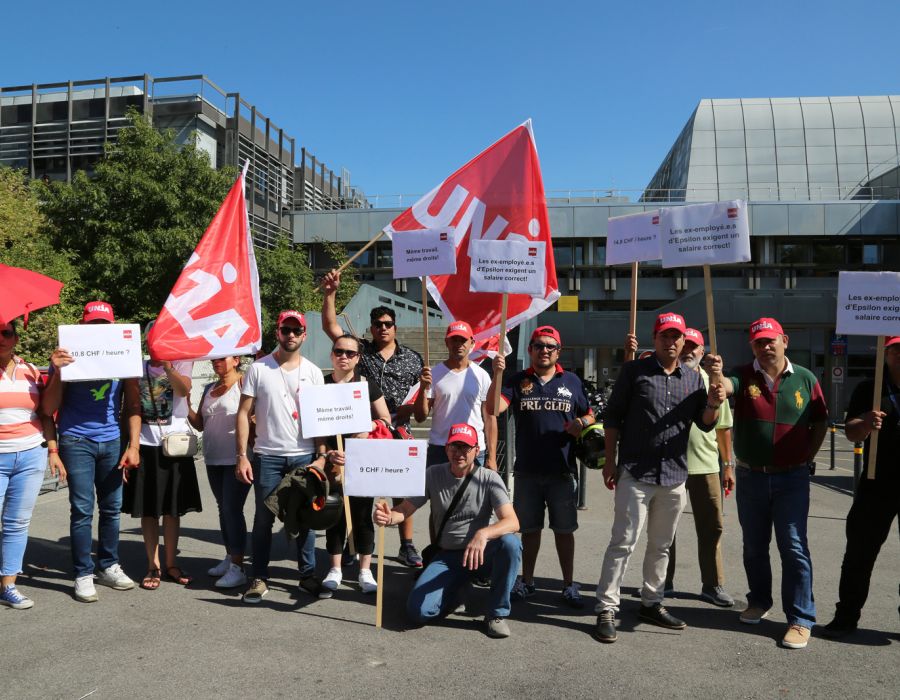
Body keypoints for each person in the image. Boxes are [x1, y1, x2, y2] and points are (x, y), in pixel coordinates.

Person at [594, 313, 723, 643]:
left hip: (674, 475)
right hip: (636, 471)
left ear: (683, 341)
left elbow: (705, 423)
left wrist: (712, 404)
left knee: (661, 545)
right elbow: (613, 418)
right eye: (665, 335)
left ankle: (651, 602)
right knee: (623, 542)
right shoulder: (634, 371)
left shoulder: (693, 379)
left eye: (676, 336)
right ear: (655, 338)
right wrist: (610, 461)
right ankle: (606, 607)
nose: (671, 341)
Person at [708, 317, 828, 650]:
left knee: (793, 546)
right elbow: (724, 388)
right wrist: (716, 374)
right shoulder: (743, 375)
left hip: (792, 477)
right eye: (758, 342)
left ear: (784, 340)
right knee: (754, 546)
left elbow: (820, 421)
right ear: (752, 346)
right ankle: (759, 601)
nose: (765, 346)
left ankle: (800, 618)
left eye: (770, 340)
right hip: (751, 477)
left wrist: (808, 455)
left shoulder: (805, 378)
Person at [373, 423, 521, 638]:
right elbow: (405, 509)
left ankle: (496, 613)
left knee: (511, 543)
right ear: (446, 448)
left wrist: (483, 534)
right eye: (454, 447)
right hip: (449, 557)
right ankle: (456, 591)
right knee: (418, 612)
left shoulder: (489, 478)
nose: (459, 453)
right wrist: (388, 517)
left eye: (465, 447)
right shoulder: (433, 474)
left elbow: (512, 522)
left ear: (476, 450)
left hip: (481, 555)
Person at [623, 327, 736, 607]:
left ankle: (713, 584)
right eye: (685, 347)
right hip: (667, 465)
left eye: (693, 347)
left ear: (701, 351)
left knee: (711, 527)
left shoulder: (712, 382)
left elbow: (723, 427)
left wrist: (727, 465)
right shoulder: (663, 376)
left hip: (705, 465)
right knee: (664, 531)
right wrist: (629, 355)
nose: (687, 352)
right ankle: (663, 583)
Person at [321, 269, 425, 568]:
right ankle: (354, 544)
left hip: (397, 428)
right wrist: (330, 293)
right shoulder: (361, 350)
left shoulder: (412, 358)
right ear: (371, 327)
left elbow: (420, 394)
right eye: (378, 324)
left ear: (395, 327)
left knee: (401, 490)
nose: (383, 328)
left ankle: (407, 545)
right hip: (362, 431)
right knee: (358, 491)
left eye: (388, 324)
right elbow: (330, 326)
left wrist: (411, 408)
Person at [41, 300, 141, 603]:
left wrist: (133, 446)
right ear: (83, 326)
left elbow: (133, 405)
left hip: (112, 441)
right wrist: (57, 372)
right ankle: (83, 573)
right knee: (83, 509)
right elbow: (48, 408)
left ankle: (108, 565)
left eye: (103, 325)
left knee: (111, 508)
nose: (98, 329)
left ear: (112, 327)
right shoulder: (65, 357)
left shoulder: (123, 356)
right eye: (93, 324)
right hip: (76, 441)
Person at [489, 325, 594, 609]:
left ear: (558, 351)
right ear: (530, 349)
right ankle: (527, 581)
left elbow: (590, 414)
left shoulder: (571, 380)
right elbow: (494, 408)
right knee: (529, 529)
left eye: (550, 346)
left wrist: (581, 422)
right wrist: (497, 375)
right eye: (539, 345)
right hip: (527, 470)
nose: (544, 350)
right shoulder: (517, 380)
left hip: (562, 470)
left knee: (564, 530)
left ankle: (569, 584)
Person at [236, 310, 325, 603]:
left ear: (304, 335)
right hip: (268, 456)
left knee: (305, 518)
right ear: (277, 332)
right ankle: (259, 577)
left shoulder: (313, 372)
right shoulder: (258, 369)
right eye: (285, 329)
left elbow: (319, 418)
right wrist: (242, 455)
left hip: (303, 455)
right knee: (264, 519)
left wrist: (321, 455)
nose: (290, 335)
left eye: (296, 330)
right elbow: (243, 413)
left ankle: (307, 576)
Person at [823, 335, 900, 638]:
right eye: (895, 349)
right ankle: (846, 616)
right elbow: (852, 433)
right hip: (876, 483)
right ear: (885, 353)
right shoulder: (871, 389)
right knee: (859, 554)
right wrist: (867, 422)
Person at [122, 325, 200, 591]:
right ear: (146, 341)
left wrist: (168, 367)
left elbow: (183, 390)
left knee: (172, 509)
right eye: (153, 340)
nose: (157, 345)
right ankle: (152, 565)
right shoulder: (138, 367)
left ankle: (171, 564)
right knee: (148, 510)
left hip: (175, 446)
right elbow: (133, 408)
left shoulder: (182, 363)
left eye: (163, 340)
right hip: (146, 444)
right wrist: (131, 446)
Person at [319, 333, 391, 598]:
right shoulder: (322, 386)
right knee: (334, 514)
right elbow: (315, 430)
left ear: (358, 358)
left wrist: (369, 425)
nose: (344, 357)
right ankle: (335, 569)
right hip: (333, 461)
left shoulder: (366, 385)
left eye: (350, 353)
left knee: (362, 515)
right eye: (339, 351)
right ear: (332, 355)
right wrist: (326, 454)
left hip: (361, 460)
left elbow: (386, 419)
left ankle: (365, 570)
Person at [0, 320, 66, 609]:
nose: (1, 338)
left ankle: (8, 585)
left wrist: (53, 449)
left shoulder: (29, 370)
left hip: (30, 454)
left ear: (15, 338)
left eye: (6, 333)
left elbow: (45, 412)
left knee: (17, 523)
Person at [187, 355, 250, 589]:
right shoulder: (209, 388)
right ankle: (230, 556)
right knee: (223, 509)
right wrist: (186, 404)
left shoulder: (244, 384)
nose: (216, 362)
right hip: (213, 458)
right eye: (214, 359)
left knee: (232, 509)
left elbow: (254, 416)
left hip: (237, 459)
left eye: (222, 358)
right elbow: (200, 424)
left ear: (236, 360)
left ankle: (238, 568)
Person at [414, 320, 497, 470]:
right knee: (436, 486)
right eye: (454, 340)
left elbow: (490, 417)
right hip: (441, 447)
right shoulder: (433, 374)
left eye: (463, 340)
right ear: (447, 342)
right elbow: (420, 417)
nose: (458, 344)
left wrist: (492, 457)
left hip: (473, 448)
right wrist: (422, 389)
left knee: (473, 487)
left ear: (472, 343)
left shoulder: (482, 375)